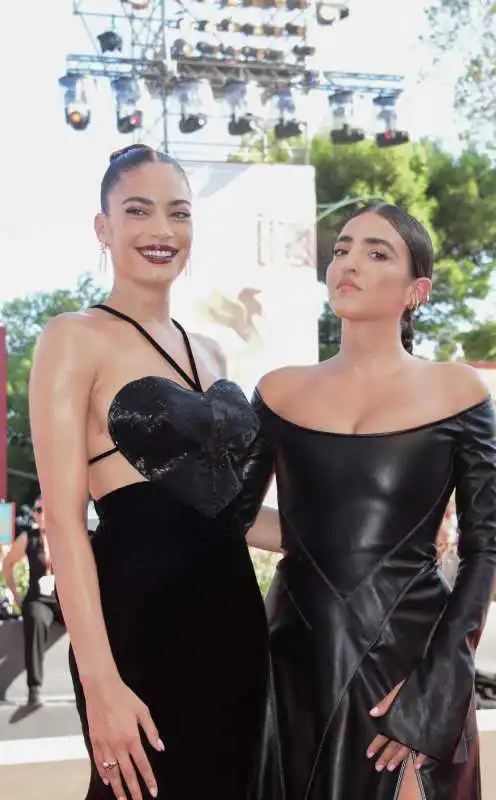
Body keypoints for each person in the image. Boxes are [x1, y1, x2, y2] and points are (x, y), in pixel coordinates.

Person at [29, 144, 270, 800]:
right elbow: (61, 521)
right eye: (138, 211)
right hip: (138, 627)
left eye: (179, 213)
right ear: (103, 228)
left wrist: (385, 530)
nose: (162, 230)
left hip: (235, 622)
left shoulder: (213, 352)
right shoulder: (73, 337)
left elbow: (237, 514)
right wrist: (101, 683)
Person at [240, 204, 496, 799]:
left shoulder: (458, 390)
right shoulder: (278, 390)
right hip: (293, 659)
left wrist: (437, 690)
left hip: (409, 663)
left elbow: (484, 548)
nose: (349, 262)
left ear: (417, 291)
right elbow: (234, 517)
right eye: (342, 249)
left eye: (376, 252)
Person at [1, 495, 62, 707]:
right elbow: (7, 564)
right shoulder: (29, 537)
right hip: (40, 600)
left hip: (63, 599)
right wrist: (16, 596)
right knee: (34, 619)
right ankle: (34, 689)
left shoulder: (64, 536)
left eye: (46, 509)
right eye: (38, 510)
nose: (41, 514)